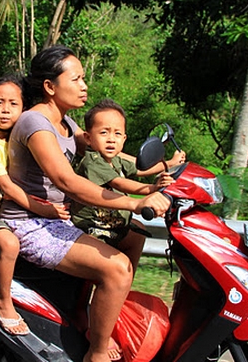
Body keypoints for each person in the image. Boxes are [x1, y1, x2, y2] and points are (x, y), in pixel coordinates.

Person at [0, 45, 170, 362]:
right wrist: (133, 203)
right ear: (50, 87)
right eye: (76, 79)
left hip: (57, 218)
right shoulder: (35, 123)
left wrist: (161, 168)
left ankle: (95, 312)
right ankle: (97, 352)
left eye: (83, 79)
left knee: (133, 235)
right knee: (118, 269)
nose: (84, 85)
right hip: (31, 223)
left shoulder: (66, 122)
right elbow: (67, 181)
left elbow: (103, 150)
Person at [0, 75, 70, 336]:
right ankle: (3, 302)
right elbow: (7, 187)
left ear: (24, 110)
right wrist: (43, 209)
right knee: (10, 244)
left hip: (5, 211)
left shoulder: (19, 138)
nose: (6, 110)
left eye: (13, 104)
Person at [71, 98, 180, 275]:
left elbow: (140, 169)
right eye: (104, 133)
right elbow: (119, 183)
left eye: (117, 134)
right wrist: (152, 189)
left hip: (112, 227)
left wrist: (170, 164)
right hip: (93, 230)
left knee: (138, 234)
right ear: (88, 138)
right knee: (115, 269)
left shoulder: (116, 159)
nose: (111, 139)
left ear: (124, 139)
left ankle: (124, 286)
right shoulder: (93, 161)